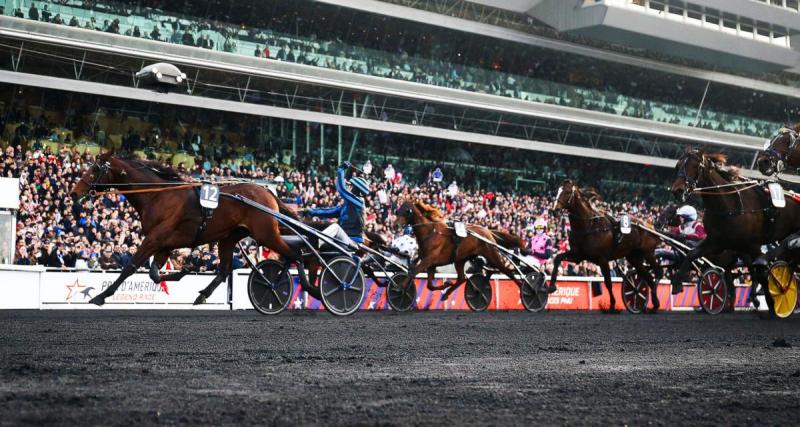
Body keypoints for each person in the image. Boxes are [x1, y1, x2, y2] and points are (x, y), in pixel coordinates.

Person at [304, 162, 369, 246]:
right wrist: (311, 212)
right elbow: (330, 212)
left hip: (353, 242)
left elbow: (342, 190)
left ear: (355, 189)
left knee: (335, 227)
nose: (348, 187)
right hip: (344, 239)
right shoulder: (347, 204)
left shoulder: (359, 202)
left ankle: (316, 243)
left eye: (350, 185)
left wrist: (341, 170)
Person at [658, 205, 706, 294]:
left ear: (687, 218)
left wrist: (685, 236)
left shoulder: (697, 225)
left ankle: (677, 281)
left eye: (681, 217)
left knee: (661, 252)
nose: (680, 219)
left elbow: (701, 236)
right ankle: (676, 283)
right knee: (660, 251)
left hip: (692, 254)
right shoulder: (681, 228)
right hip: (680, 253)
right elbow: (672, 236)